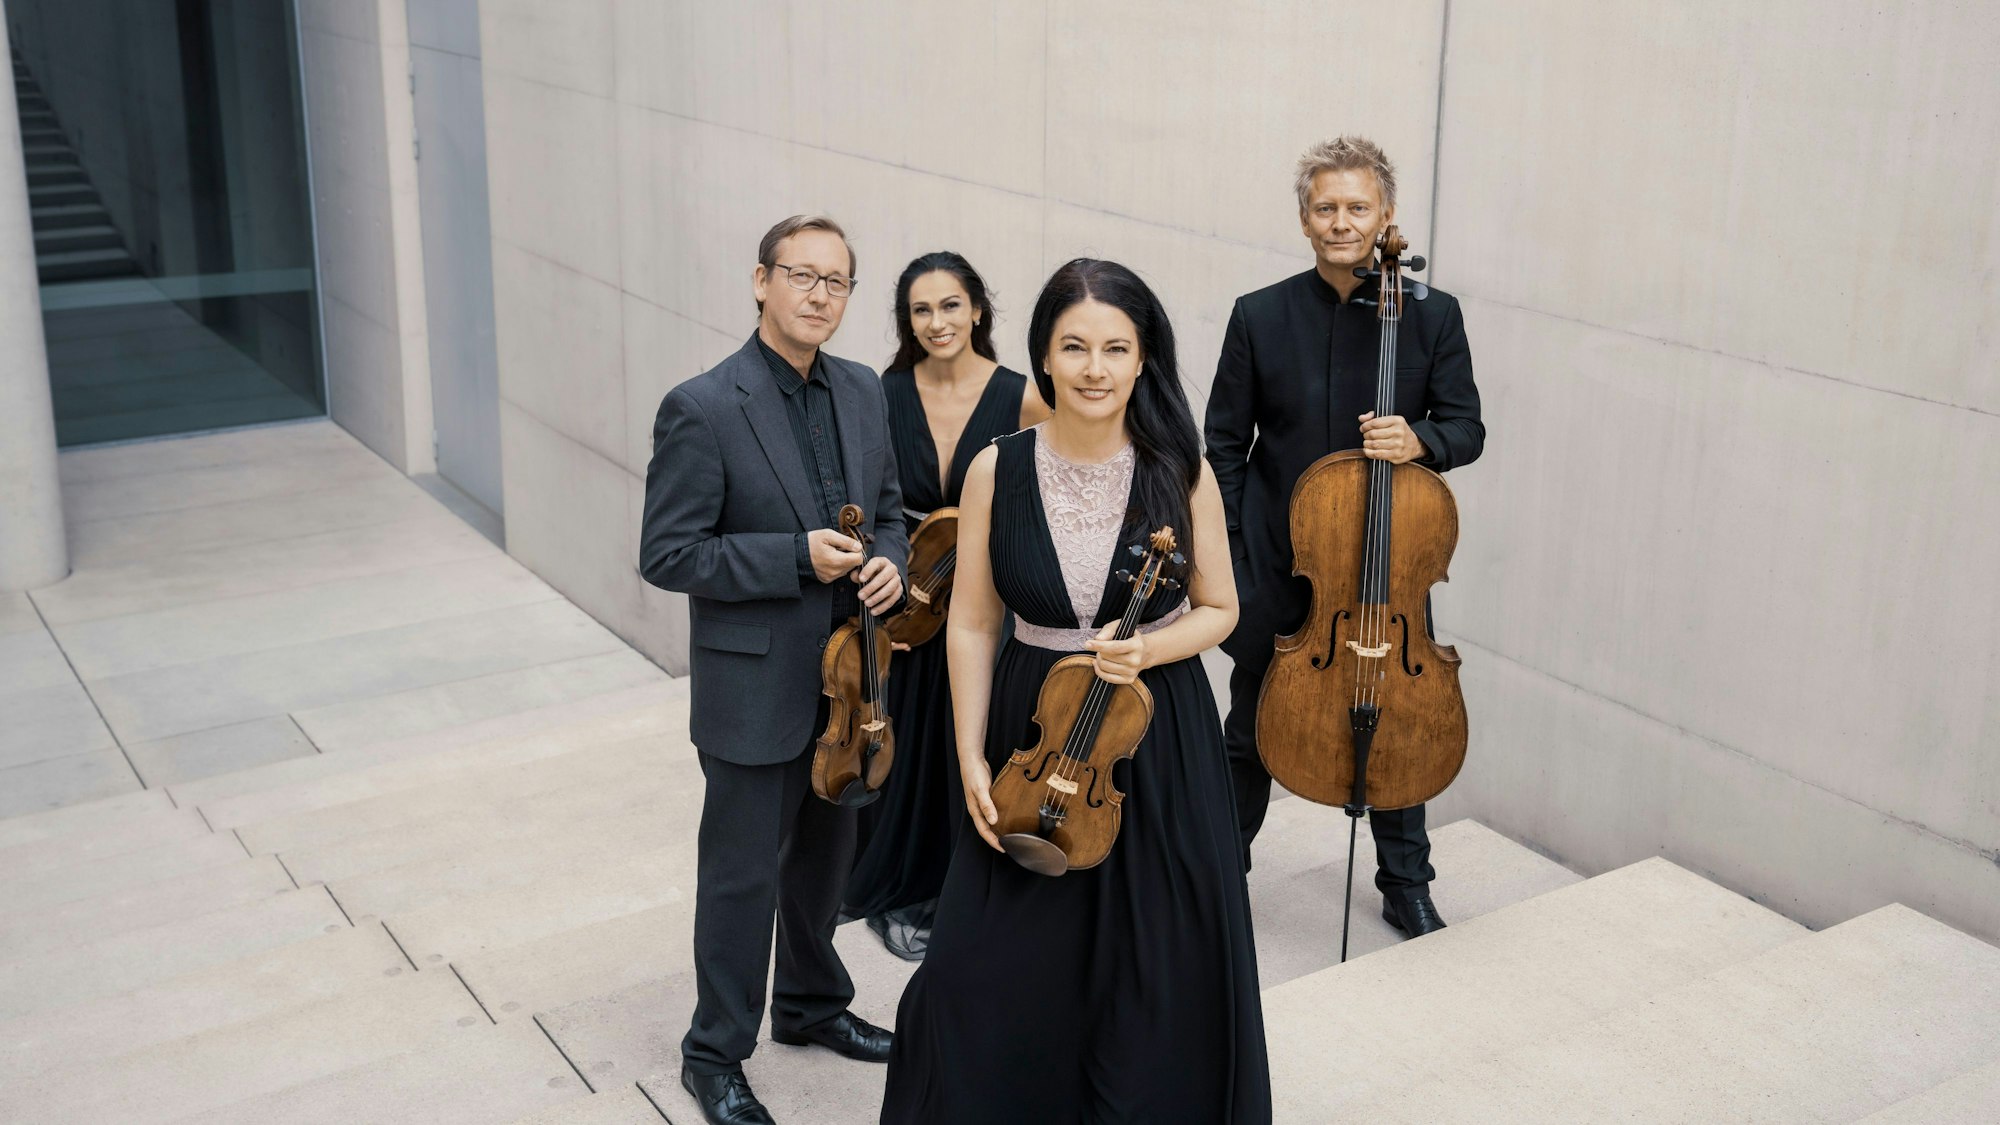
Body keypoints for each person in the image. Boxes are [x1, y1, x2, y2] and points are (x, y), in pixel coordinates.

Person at [880, 258, 1272, 1124]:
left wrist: (1152, 645)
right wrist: (970, 755)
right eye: (1075, 346)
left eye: (1115, 347)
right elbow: (975, 622)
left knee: (1152, 979)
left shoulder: (1183, 468)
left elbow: (1220, 607)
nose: (1095, 367)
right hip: (1031, 733)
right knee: (965, 977)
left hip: (1154, 737)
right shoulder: (997, 467)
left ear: (1143, 360)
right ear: (1044, 357)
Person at [641, 214, 909, 1125]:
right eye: (802, 276)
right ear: (761, 282)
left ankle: (810, 1003)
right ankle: (712, 1053)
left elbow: (891, 512)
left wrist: (889, 561)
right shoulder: (704, 404)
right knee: (742, 878)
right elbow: (670, 554)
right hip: (755, 687)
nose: (820, 295)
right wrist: (795, 556)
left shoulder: (866, 390)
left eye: (838, 281)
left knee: (825, 865)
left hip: (850, 684)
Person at [1203, 136, 1485, 938]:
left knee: (1398, 721)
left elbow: (1468, 427)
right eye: (1325, 207)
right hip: (1277, 560)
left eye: (1357, 207)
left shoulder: (1434, 316)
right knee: (1252, 727)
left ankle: (1406, 881)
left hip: (1385, 570)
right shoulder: (1259, 314)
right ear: (1303, 218)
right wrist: (1230, 548)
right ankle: (1220, 877)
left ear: (1386, 216)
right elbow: (1223, 444)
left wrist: (1420, 441)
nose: (1341, 221)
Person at [846, 251, 1050, 960]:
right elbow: (865, 499)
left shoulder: (1022, 395)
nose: (938, 321)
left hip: (982, 600)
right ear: (908, 321)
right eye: (922, 310)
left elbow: (1049, 490)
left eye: (951, 305)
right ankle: (901, 883)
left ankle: (957, 890)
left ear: (979, 310)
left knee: (969, 741)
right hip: (904, 600)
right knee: (901, 743)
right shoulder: (882, 391)